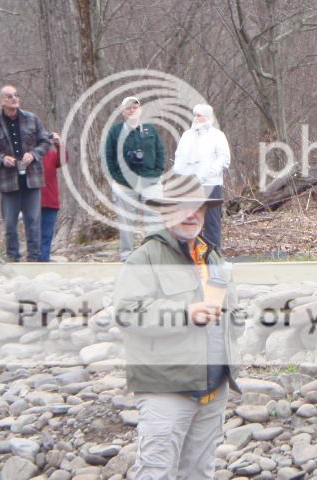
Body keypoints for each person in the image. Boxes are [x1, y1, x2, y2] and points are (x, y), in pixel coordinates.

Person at [114, 174, 241, 479]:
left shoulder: (213, 257)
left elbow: (234, 316)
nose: (191, 214)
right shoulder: (144, 258)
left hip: (213, 389)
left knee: (199, 473)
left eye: (197, 207)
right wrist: (185, 313)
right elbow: (127, 314)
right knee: (156, 473)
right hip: (166, 390)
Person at [0, 85, 50, 261]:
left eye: (16, 95)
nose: (14, 98)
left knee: (33, 221)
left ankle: (34, 259)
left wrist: (33, 154)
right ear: (2, 101)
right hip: (7, 181)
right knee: (10, 223)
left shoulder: (32, 119)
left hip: (32, 179)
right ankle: (13, 259)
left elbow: (45, 142)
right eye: (9, 96)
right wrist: (1, 158)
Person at [104, 95, 166, 261]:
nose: (132, 110)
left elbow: (160, 151)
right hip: (125, 183)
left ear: (140, 110)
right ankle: (127, 255)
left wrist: (158, 171)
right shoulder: (115, 131)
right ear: (123, 112)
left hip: (150, 180)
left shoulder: (150, 129)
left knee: (154, 219)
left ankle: (153, 254)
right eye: (128, 108)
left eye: (135, 107)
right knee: (126, 222)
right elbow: (108, 156)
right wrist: (116, 177)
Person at [174, 104, 231, 250]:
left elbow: (224, 159)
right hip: (189, 186)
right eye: (195, 115)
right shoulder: (187, 136)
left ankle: (213, 257)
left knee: (212, 223)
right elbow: (179, 158)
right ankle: (189, 256)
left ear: (208, 117)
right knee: (188, 221)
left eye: (199, 115)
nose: (196, 118)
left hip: (211, 185)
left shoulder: (217, 135)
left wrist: (210, 172)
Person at [39, 132, 66, 262]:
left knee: (47, 234)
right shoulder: (28, 156)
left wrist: (58, 143)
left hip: (50, 201)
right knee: (33, 234)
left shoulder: (51, 155)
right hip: (32, 202)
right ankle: (34, 259)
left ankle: (44, 260)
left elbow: (63, 159)